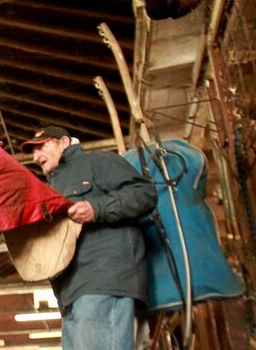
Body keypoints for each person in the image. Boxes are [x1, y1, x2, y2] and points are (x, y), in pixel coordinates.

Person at [21, 126, 157, 350]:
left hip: (103, 279)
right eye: (32, 153)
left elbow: (144, 193)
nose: (36, 157)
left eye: (41, 147)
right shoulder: (52, 188)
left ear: (63, 142)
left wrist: (97, 209)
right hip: (70, 294)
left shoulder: (97, 162)